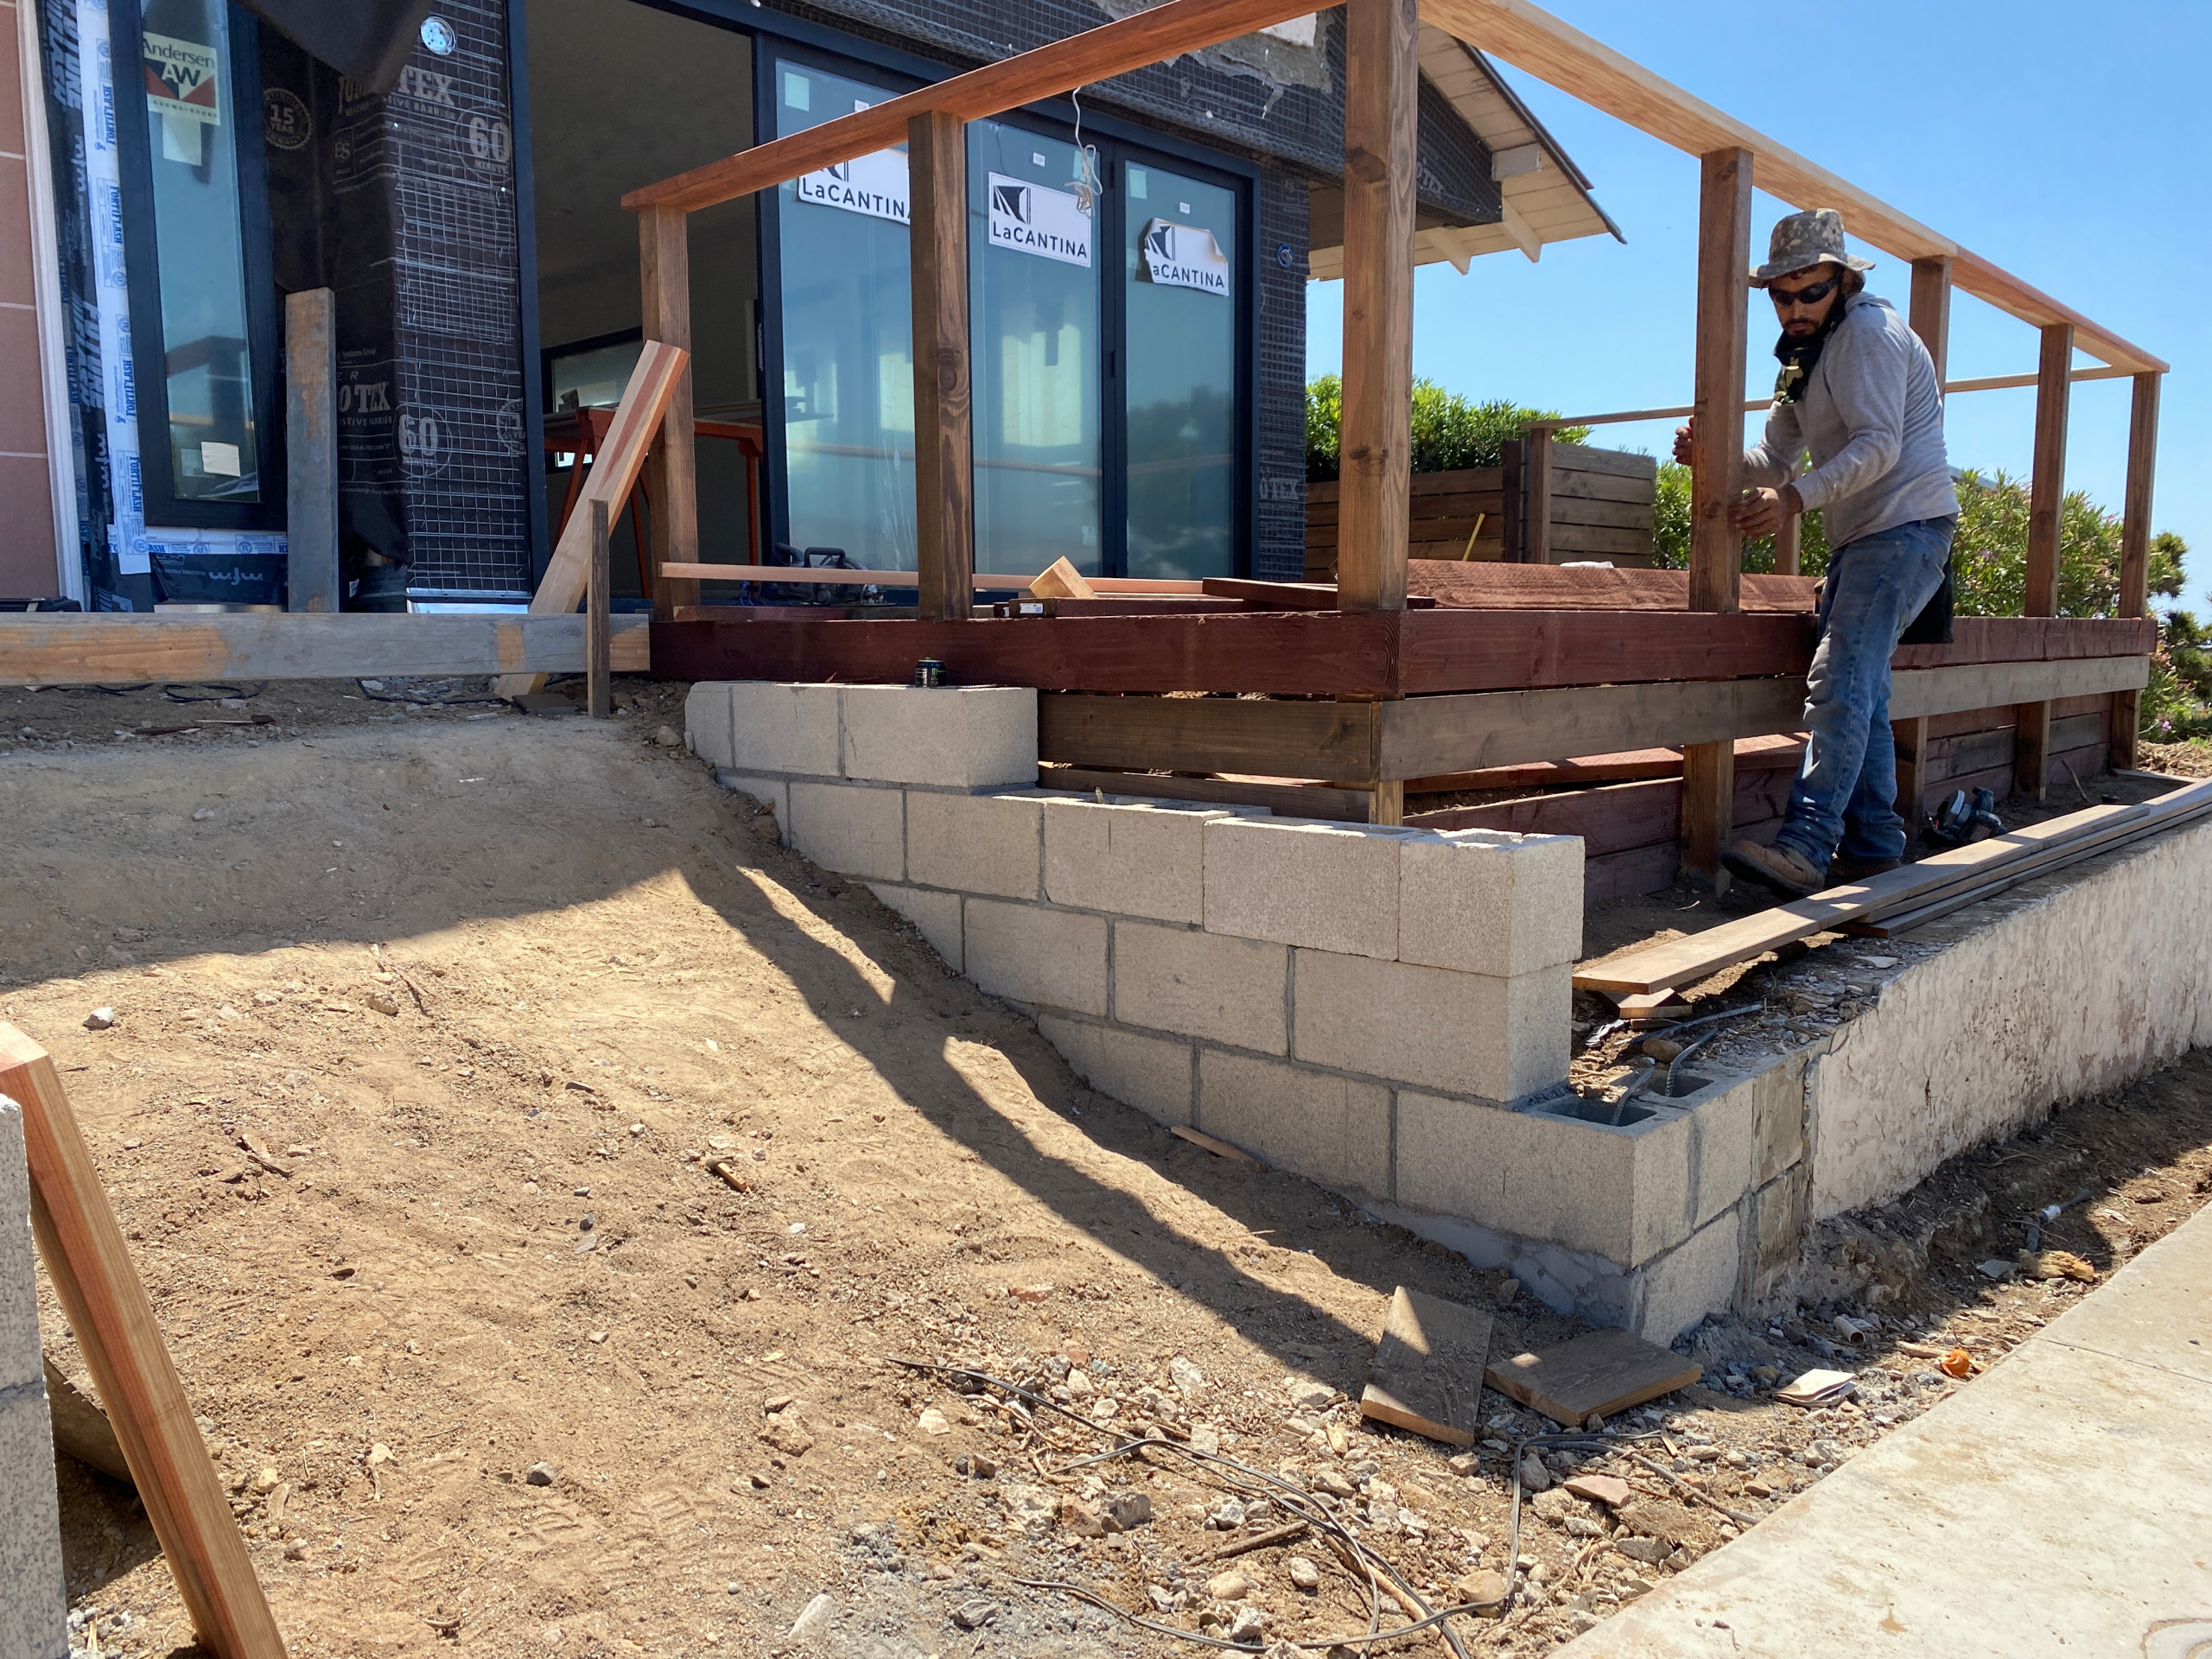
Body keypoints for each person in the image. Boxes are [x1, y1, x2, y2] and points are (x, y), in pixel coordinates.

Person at [1673, 207, 1958, 897]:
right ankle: (1872, 841)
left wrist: (1793, 501)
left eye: (1809, 292)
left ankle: (1807, 843)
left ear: (1842, 282)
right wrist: (1716, 462)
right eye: (1781, 294)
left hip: (1904, 530)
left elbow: (1879, 445)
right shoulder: (1803, 353)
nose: (1793, 307)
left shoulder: (1868, 334)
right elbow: (1774, 457)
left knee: (1839, 682)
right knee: (1863, 688)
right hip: (1867, 539)